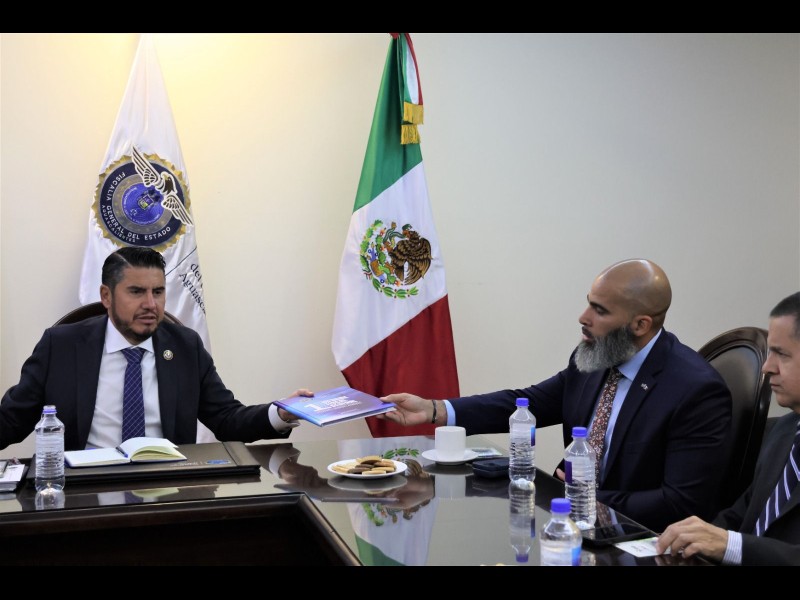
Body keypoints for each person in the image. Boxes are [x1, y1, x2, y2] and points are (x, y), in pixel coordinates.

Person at [382, 258, 733, 532]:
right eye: (589, 304)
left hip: (641, 541)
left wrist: (583, 497)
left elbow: (682, 503)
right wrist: (434, 409)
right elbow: (528, 402)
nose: (583, 317)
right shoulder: (596, 358)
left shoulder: (695, 390)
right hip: (576, 530)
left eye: (600, 310)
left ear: (641, 325)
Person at [0, 246, 310, 451]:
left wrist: (280, 413)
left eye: (158, 292)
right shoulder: (61, 347)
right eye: (136, 292)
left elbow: (226, 419)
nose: (151, 304)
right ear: (106, 296)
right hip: (85, 492)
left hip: (166, 489)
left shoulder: (185, 347)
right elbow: (12, 421)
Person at [656, 292, 800, 566]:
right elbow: (741, 514)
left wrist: (730, 545)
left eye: (781, 354)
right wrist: (693, 537)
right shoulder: (784, 431)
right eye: (770, 352)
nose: (767, 367)